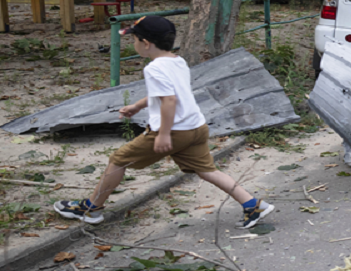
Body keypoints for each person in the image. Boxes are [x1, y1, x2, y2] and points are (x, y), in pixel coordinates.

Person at [54, 16, 274, 229]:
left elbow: (169, 100)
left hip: (175, 131)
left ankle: (92, 209)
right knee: (207, 170)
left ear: (146, 43)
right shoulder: (177, 61)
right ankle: (252, 205)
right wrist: (138, 106)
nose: (133, 43)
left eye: (134, 39)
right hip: (196, 127)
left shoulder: (154, 68)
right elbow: (166, 94)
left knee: (118, 160)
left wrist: (163, 134)